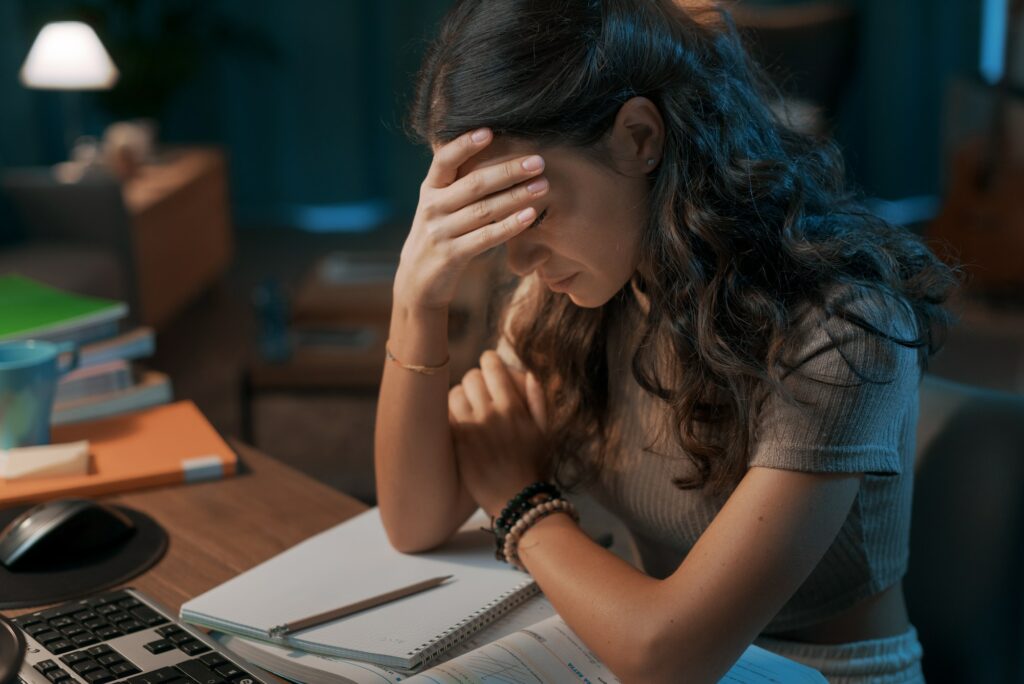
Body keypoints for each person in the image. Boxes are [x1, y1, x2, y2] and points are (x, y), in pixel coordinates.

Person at [374, 1, 956, 682]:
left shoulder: (842, 331)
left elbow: (670, 655)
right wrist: (417, 298)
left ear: (639, 137)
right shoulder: (575, 292)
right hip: (627, 649)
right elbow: (414, 521)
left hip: (825, 672)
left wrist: (521, 503)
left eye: (530, 209)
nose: (517, 260)